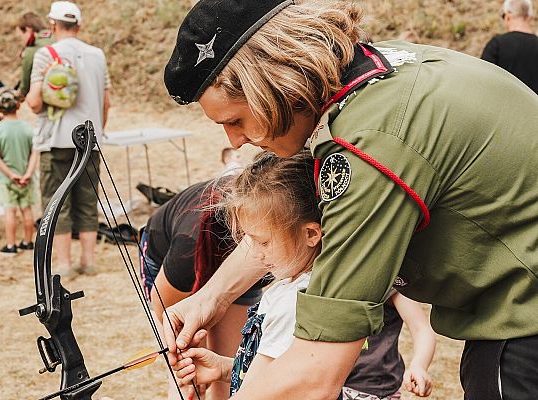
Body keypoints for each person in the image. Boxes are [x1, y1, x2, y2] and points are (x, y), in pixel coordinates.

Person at [162, 1, 538, 399]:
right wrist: (210, 298)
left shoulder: (368, 145)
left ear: (271, 84)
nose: (235, 141)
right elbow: (284, 225)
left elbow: (315, 373)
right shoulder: (376, 77)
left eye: (235, 121)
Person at [174, 151, 436, 399]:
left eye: (263, 242)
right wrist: (223, 368)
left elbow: (272, 389)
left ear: (311, 234)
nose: (254, 253)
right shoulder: (287, 290)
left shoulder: (294, 302)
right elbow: (274, 375)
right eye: (249, 240)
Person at [140, 176, 269, 399]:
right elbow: (170, 313)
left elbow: (227, 368)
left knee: (226, 381)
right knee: (184, 381)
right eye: (259, 244)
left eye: (266, 244)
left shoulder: (273, 242)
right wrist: (187, 361)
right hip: (175, 257)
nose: (261, 254)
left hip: (232, 257)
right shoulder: (187, 248)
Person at [26, 1, 111, 277]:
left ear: (52, 25)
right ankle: (88, 261)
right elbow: (106, 101)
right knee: (87, 200)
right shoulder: (98, 54)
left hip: (55, 141)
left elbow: (36, 103)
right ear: (79, 25)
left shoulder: (45, 54)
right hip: (89, 142)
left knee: (56, 201)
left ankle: (64, 265)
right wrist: (97, 129)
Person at [0, 88, 38, 255]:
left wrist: (10, 174)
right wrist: (27, 174)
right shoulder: (27, 128)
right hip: (26, 179)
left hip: (7, 180)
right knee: (27, 210)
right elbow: (34, 153)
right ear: (18, 106)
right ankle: (28, 242)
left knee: (10, 211)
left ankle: (11, 245)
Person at [481, 0, 538, 94]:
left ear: (508, 16)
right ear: (530, 17)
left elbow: (483, 79)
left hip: (502, 107)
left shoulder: (497, 44)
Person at [15, 11, 54, 97]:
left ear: (28, 30)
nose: (22, 41)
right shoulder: (56, 34)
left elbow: (25, 88)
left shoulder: (30, 51)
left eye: (20, 36)